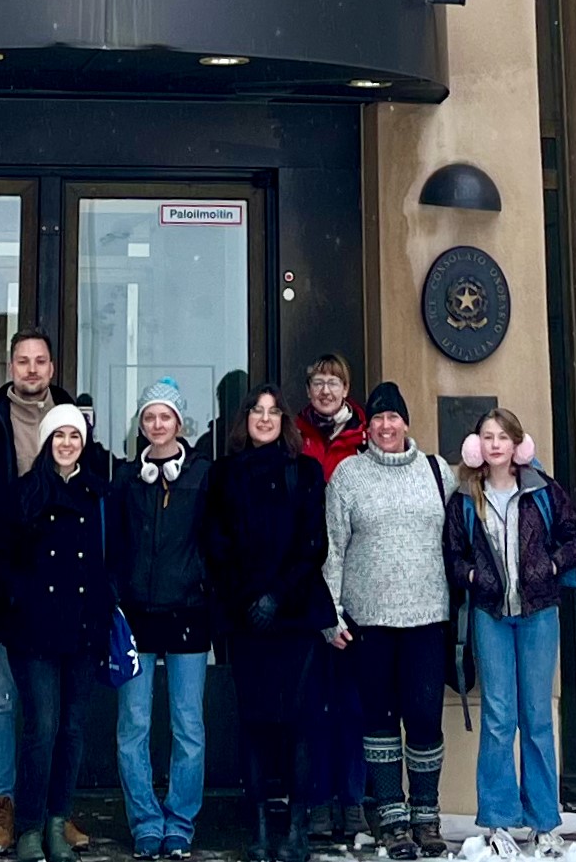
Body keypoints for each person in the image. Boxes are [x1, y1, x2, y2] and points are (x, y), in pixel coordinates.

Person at [0, 329, 98, 855]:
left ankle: (51, 813)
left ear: (52, 365)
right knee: (2, 699)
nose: (33, 369)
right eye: (23, 361)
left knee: (59, 717)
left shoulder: (71, 419)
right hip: (8, 585)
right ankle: (4, 808)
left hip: (64, 590)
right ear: (11, 367)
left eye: (41, 360)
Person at [442, 409, 576, 855]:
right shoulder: (466, 497)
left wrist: (549, 565)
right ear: (477, 446)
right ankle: (499, 819)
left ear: (516, 444)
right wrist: (470, 577)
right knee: (499, 717)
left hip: (539, 614)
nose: (494, 445)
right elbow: (452, 554)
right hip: (490, 615)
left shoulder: (543, 491)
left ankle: (544, 819)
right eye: (486, 437)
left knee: (538, 718)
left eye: (502, 437)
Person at [322, 383, 454, 860]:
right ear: (367, 426)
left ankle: (427, 815)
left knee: (423, 718)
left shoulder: (438, 473)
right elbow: (333, 550)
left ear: (406, 422)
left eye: (393, 417)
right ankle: (392, 819)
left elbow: (462, 530)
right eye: (377, 419)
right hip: (369, 621)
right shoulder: (347, 476)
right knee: (378, 719)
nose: (385, 426)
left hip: (427, 617)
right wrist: (330, 612)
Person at [206, 386, 336, 862]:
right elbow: (216, 545)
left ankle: (297, 826)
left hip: (295, 613)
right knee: (255, 723)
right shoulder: (224, 474)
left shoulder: (304, 472)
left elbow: (312, 543)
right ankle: (260, 825)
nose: (264, 418)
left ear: (285, 420)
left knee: (300, 723)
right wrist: (248, 600)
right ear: (245, 420)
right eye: (256, 411)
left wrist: (276, 596)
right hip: (245, 619)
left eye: (272, 411)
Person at [0, 404, 115, 862]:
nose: (67, 444)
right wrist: (21, 603)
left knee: (72, 729)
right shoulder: (24, 493)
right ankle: (28, 826)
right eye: (59, 436)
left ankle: (56, 820)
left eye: (75, 436)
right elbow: (3, 561)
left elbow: (112, 559)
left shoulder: (99, 494)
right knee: (41, 729)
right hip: (35, 633)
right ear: (46, 443)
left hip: (85, 631)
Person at [108, 377, 215, 860]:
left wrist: (204, 586)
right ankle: (146, 819)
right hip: (135, 616)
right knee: (133, 723)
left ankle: (181, 819)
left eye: (165, 417)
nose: (156, 424)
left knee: (188, 723)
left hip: (188, 613)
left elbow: (215, 541)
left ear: (179, 422)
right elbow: (116, 544)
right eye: (149, 417)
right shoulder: (127, 479)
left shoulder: (201, 475)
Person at [291, 354, 368, 843]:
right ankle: (316, 801)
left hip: (357, 587)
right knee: (310, 704)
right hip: (304, 585)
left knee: (353, 703)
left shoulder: (367, 436)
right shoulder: (294, 434)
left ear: (345, 388)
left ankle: (354, 801)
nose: (325, 390)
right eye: (317, 381)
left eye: (333, 381)